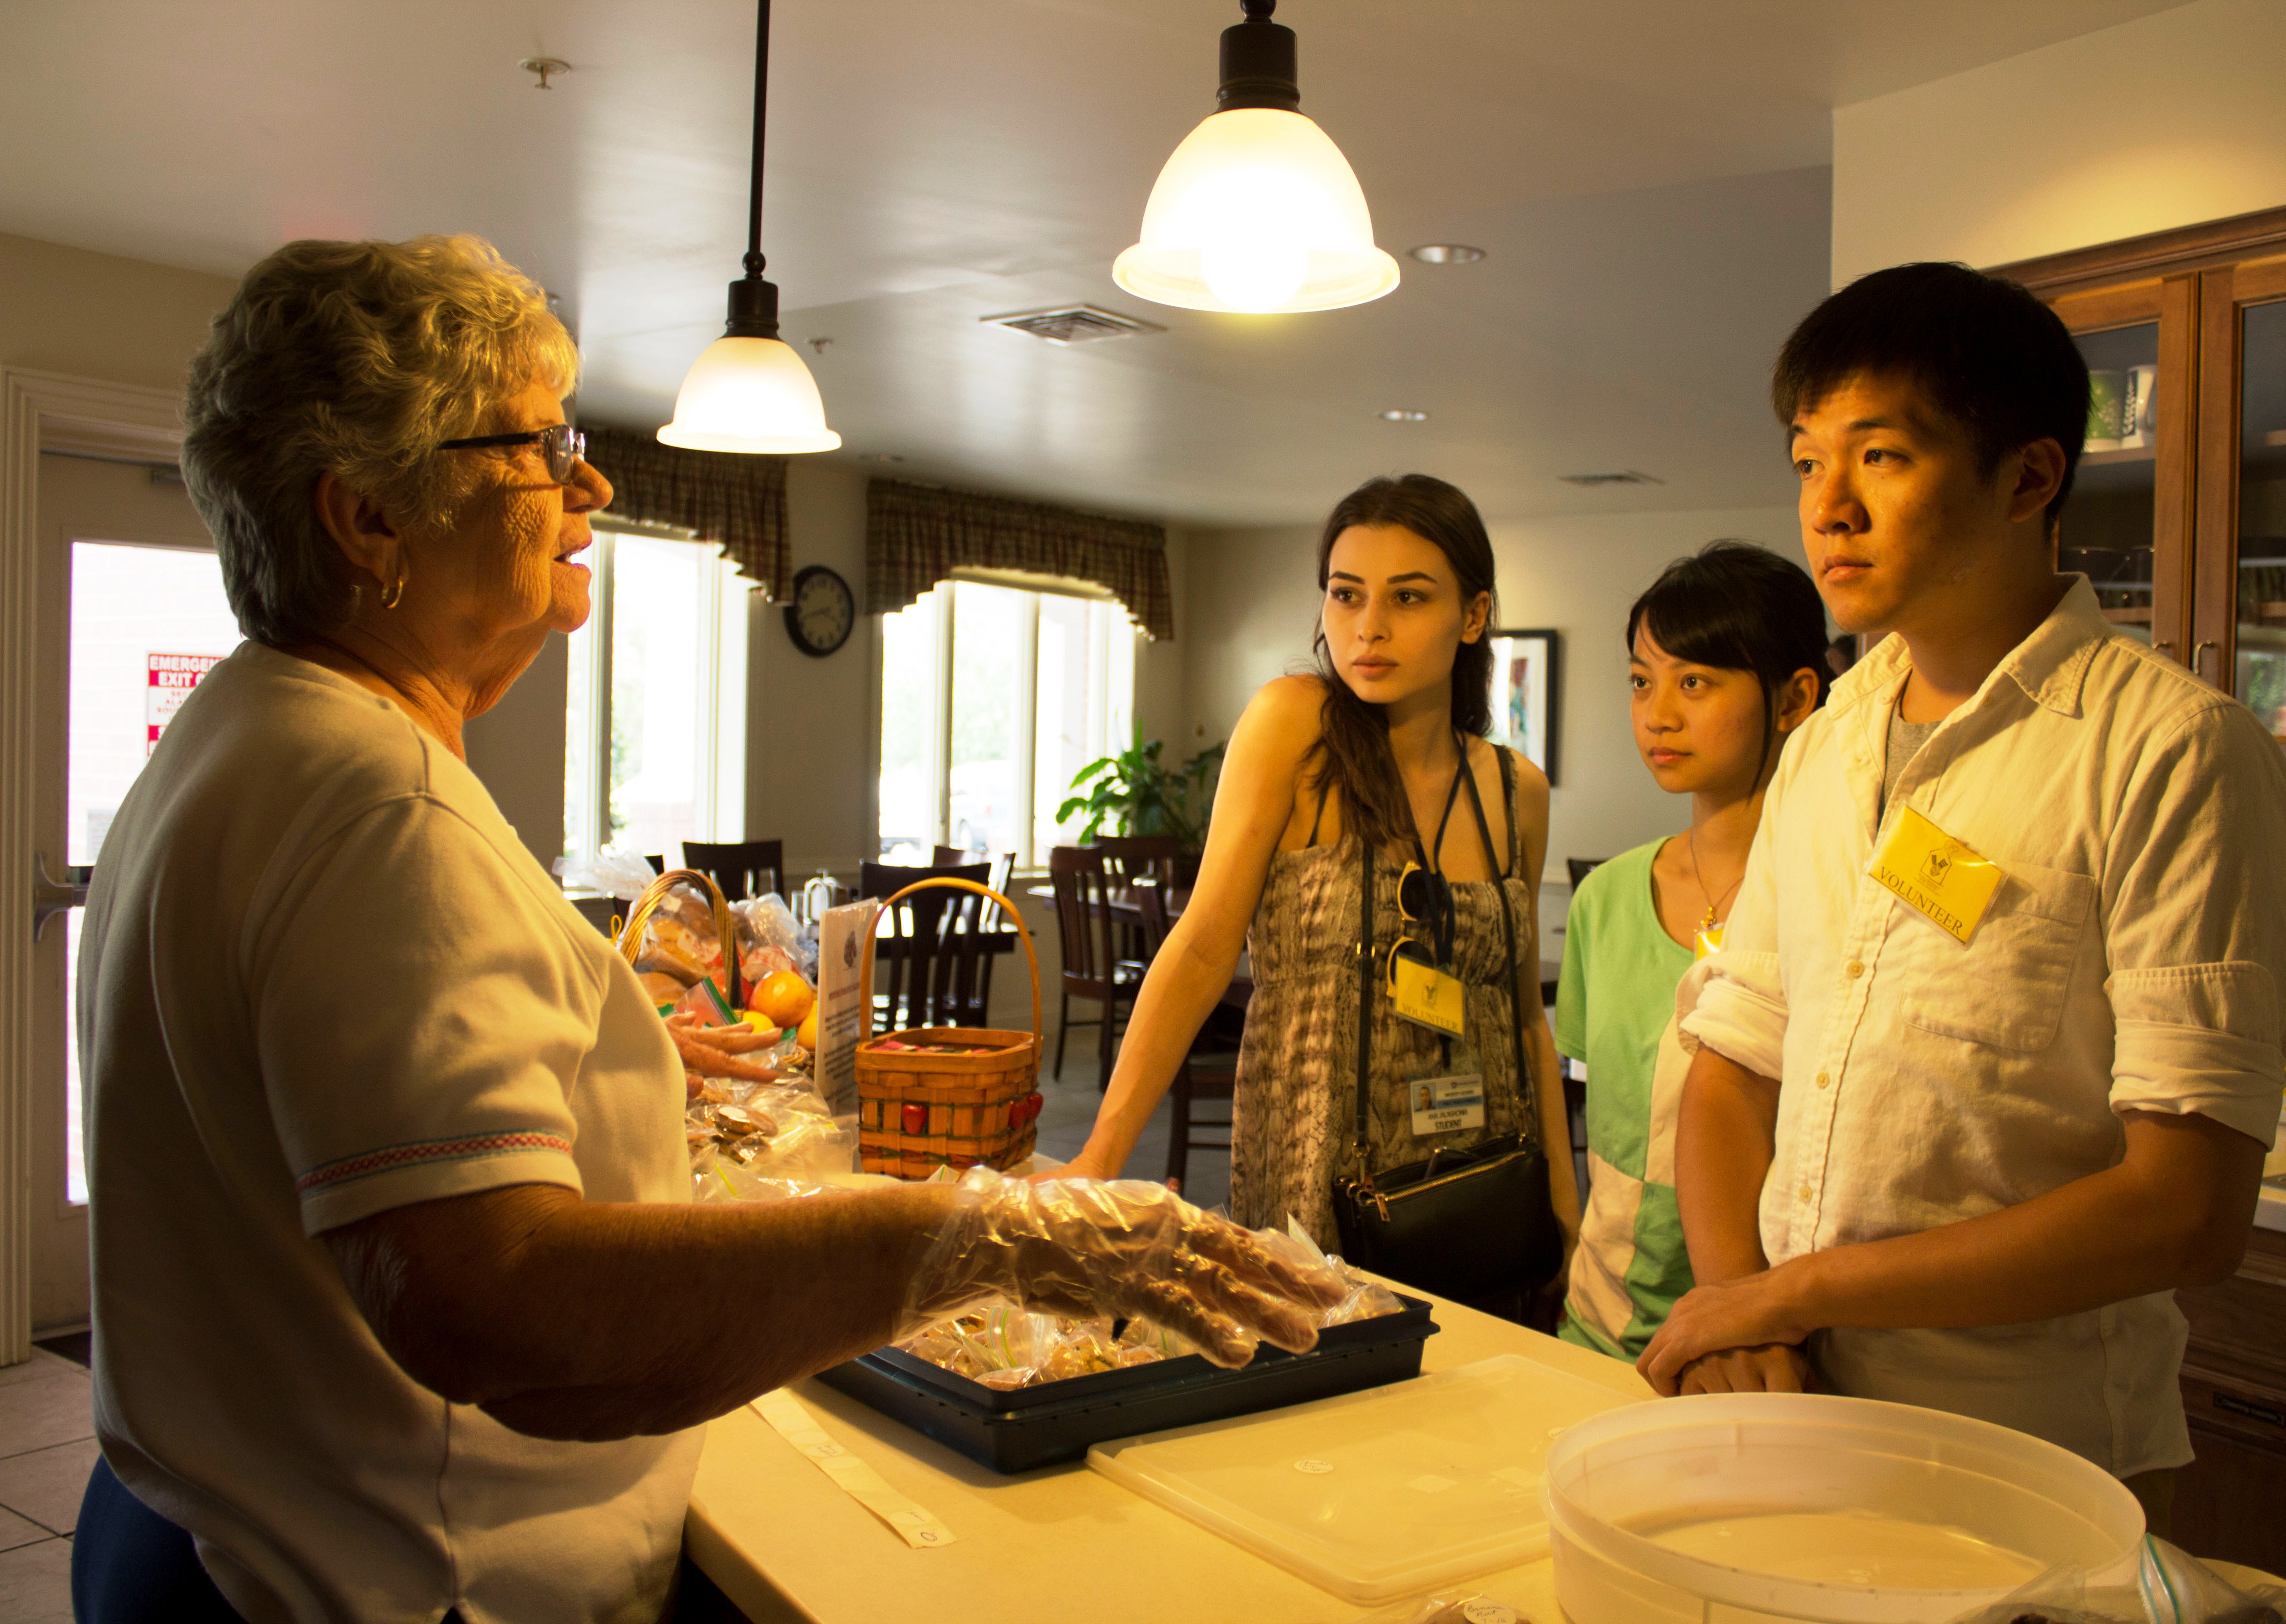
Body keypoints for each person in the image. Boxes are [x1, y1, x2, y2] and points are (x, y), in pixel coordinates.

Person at [74, 234, 1340, 1624]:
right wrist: (976, 1236)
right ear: (368, 519)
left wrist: (613, 1074)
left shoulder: (241, 740)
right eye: (540, 443)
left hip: (196, 1533)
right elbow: (493, 1308)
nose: (591, 484)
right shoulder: (379, 807)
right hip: (392, 1583)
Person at [1640, 262, 2286, 1528]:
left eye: (1881, 458)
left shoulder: (2170, 750)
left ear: (2030, 478)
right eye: (1805, 461)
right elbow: (1735, 1060)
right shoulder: (1831, 744)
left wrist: (1794, 1295)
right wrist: (1742, 1316)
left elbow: (2185, 1210)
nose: (1827, 509)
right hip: (1799, 1421)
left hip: (2030, 1465)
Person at [1059, 474, 1580, 1283]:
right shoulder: (1297, 729)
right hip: (1319, 1196)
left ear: (1473, 616)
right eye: (1346, 595)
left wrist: (1564, 1213)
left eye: (1408, 599)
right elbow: (1201, 947)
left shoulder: (1518, 792)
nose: (1368, 628)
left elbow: (1522, 1026)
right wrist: (1099, 1154)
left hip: (1483, 1190)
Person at [1554, 542, 1829, 1365]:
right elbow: (1601, 1130)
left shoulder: (1829, 906)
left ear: (1794, 699)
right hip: (1596, 1332)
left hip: (1760, 1346)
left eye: (1695, 683)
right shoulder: (1606, 898)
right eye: (1643, 681)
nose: (1657, 714)